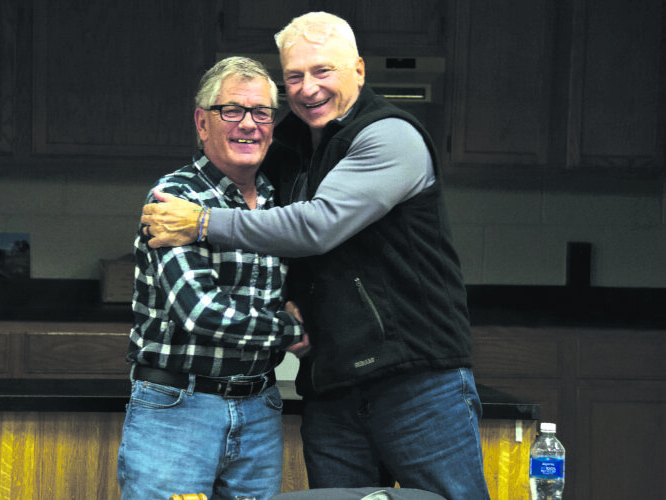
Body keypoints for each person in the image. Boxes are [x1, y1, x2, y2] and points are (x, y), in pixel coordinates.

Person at [141, 12, 491, 500]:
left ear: (359, 70)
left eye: (323, 70)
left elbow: (316, 226)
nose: (308, 88)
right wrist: (286, 297)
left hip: (416, 383)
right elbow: (275, 244)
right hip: (332, 390)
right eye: (294, 76)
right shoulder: (287, 145)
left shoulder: (391, 136)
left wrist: (201, 222)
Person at [117, 56, 308, 500]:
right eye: (232, 110)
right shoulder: (174, 197)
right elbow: (200, 312)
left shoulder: (281, 200)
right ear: (202, 123)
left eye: (261, 112)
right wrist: (291, 330)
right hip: (177, 409)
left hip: (260, 409)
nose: (249, 124)